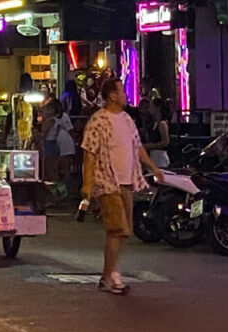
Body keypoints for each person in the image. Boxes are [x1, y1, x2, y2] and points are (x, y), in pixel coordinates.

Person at [81, 75, 163, 295]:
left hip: (127, 181)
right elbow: (88, 154)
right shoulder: (98, 120)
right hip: (107, 181)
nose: (126, 95)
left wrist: (154, 168)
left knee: (122, 231)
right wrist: (87, 183)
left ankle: (108, 275)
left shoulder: (127, 120)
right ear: (112, 95)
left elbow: (138, 147)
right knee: (119, 228)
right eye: (122, 91)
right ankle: (111, 277)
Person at [40, 98, 77, 199]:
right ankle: (61, 193)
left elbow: (43, 135)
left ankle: (61, 193)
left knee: (54, 171)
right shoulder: (56, 120)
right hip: (56, 144)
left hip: (58, 144)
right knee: (56, 171)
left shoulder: (54, 120)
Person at [140, 97, 172, 169]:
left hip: (160, 157)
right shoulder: (153, 123)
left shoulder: (162, 124)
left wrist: (150, 146)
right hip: (154, 155)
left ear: (157, 108)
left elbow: (165, 142)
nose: (149, 109)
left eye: (152, 107)